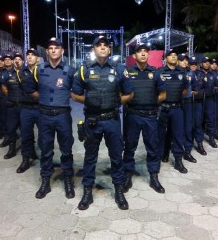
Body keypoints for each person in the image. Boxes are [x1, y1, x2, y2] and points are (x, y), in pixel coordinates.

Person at [71, 35, 134, 210]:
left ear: (109, 49)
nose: (103, 47)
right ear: (94, 49)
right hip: (92, 121)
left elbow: (129, 94)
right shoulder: (84, 70)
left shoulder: (119, 69)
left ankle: (119, 190)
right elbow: (74, 94)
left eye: (106, 45)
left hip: (112, 120)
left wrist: (115, 103)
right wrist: (89, 101)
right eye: (99, 45)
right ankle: (87, 192)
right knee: (90, 157)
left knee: (116, 157)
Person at [26, 39, 76, 199]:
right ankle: (45, 181)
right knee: (46, 150)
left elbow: (76, 91)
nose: (53, 50)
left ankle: (68, 180)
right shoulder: (38, 70)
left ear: (62, 51)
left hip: (63, 116)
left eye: (57, 48)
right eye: (50, 48)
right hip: (44, 116)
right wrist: (45, 100)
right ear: (47, 52)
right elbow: (31, 89)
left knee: (66, 150)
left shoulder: (70, 70)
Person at [122, 43, 166, 194]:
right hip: (132, 115)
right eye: (139, 51)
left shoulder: (156, 73)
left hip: (150, 116)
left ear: (148, 55)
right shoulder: (127, 73)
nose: (143, 54)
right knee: (129, 147)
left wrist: (152, 102)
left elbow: (163, 94)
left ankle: (154, 177)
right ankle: (127, 175)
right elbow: (120, 93)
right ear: (134, 56)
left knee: (153, 148)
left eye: (145, 52)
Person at [157, 48, 189, 174]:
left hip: (177, 108)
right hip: (163, 109)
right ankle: (158, 159)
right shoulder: (159, 72)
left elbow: (185, 89)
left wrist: (176, 96)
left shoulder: (182, 72)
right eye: (170, 55)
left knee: (178, 135)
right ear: (166, 59)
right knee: (160, 135)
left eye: (175, 55)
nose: (174, 57)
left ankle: (178, 160)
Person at [178, 53, 198, 163]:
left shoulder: (191, 74)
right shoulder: (174, 72)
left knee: (188, 127)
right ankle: (177, 151)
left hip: (188, 103)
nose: (185, 62)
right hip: (177, 103)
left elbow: (196, 87)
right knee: (177, 128)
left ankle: (187, 151)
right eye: (182, 60)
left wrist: (193, 91)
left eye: (186, 60)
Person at [200, 57, 218, 149]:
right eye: (205, 62)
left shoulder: (213, 75)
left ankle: (211, 138)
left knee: (210, 119)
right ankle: (199, 141)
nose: (207, 64)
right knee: (199, 121)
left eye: (208, 62)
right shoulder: (197, 73)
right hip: (199, 100)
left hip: (210, 100)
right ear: (201, 64)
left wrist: (215, 90)